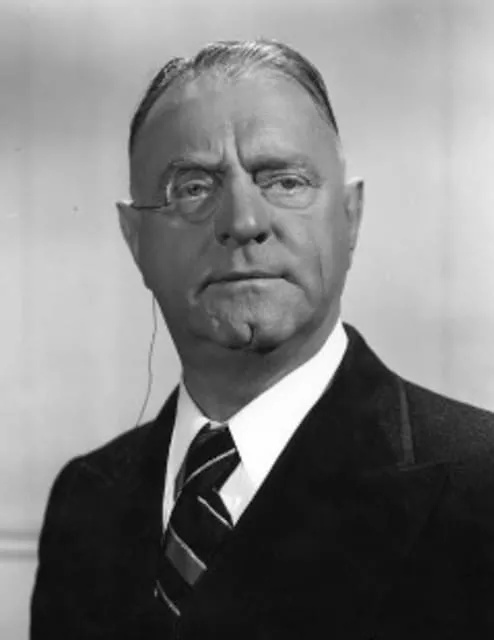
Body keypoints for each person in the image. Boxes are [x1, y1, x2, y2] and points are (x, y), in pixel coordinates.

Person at [30, 39, 494, 640]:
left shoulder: (480, 484)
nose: (243, 222)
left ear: (350, 216)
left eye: (285, 181)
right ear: (135, 238)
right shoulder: (85, 499)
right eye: (193, 188)